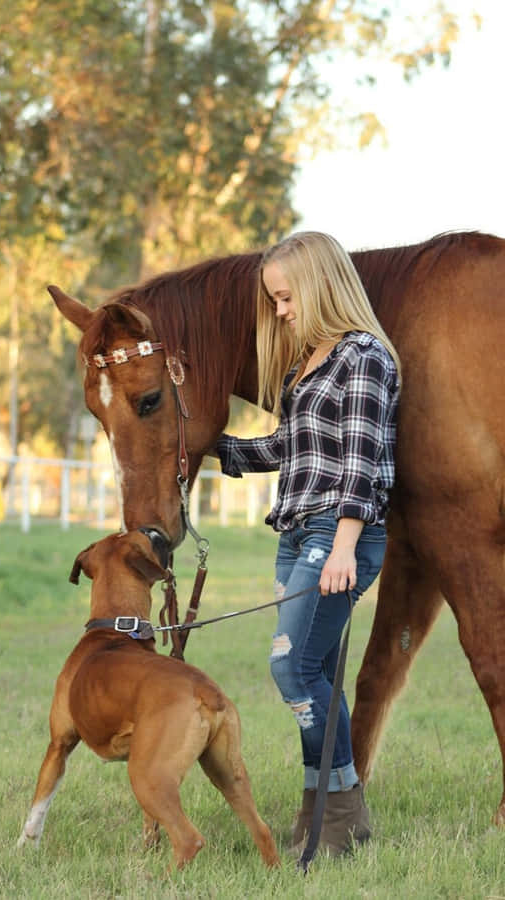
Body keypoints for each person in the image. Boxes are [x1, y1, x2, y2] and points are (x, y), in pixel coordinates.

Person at [212, 231, 400, 857]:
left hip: (338, 534)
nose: (281, 311)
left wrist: (345, 544)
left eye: (287, 297)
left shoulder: (363, 355)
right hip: (295, 535)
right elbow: (289, 449)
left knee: (291, 667)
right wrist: (216, 447)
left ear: (319, 286)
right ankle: (338, 811)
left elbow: (361, 456)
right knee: (312, 668)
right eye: (276, 300)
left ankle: (336, 806)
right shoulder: (307, 363)